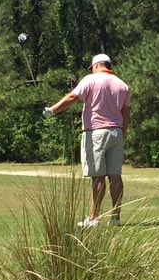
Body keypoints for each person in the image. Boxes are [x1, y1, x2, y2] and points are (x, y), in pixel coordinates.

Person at [44, 53, 131, 227]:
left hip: (96, 133)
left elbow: (72, 97)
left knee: (97, 177)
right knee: (115, 176)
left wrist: (51, 110)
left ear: (96, 65)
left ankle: (93, 218)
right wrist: (123, 132)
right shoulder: (122, 85)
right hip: (116, 133)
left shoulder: (90, 80)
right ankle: (115, 218)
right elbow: (126, 113)